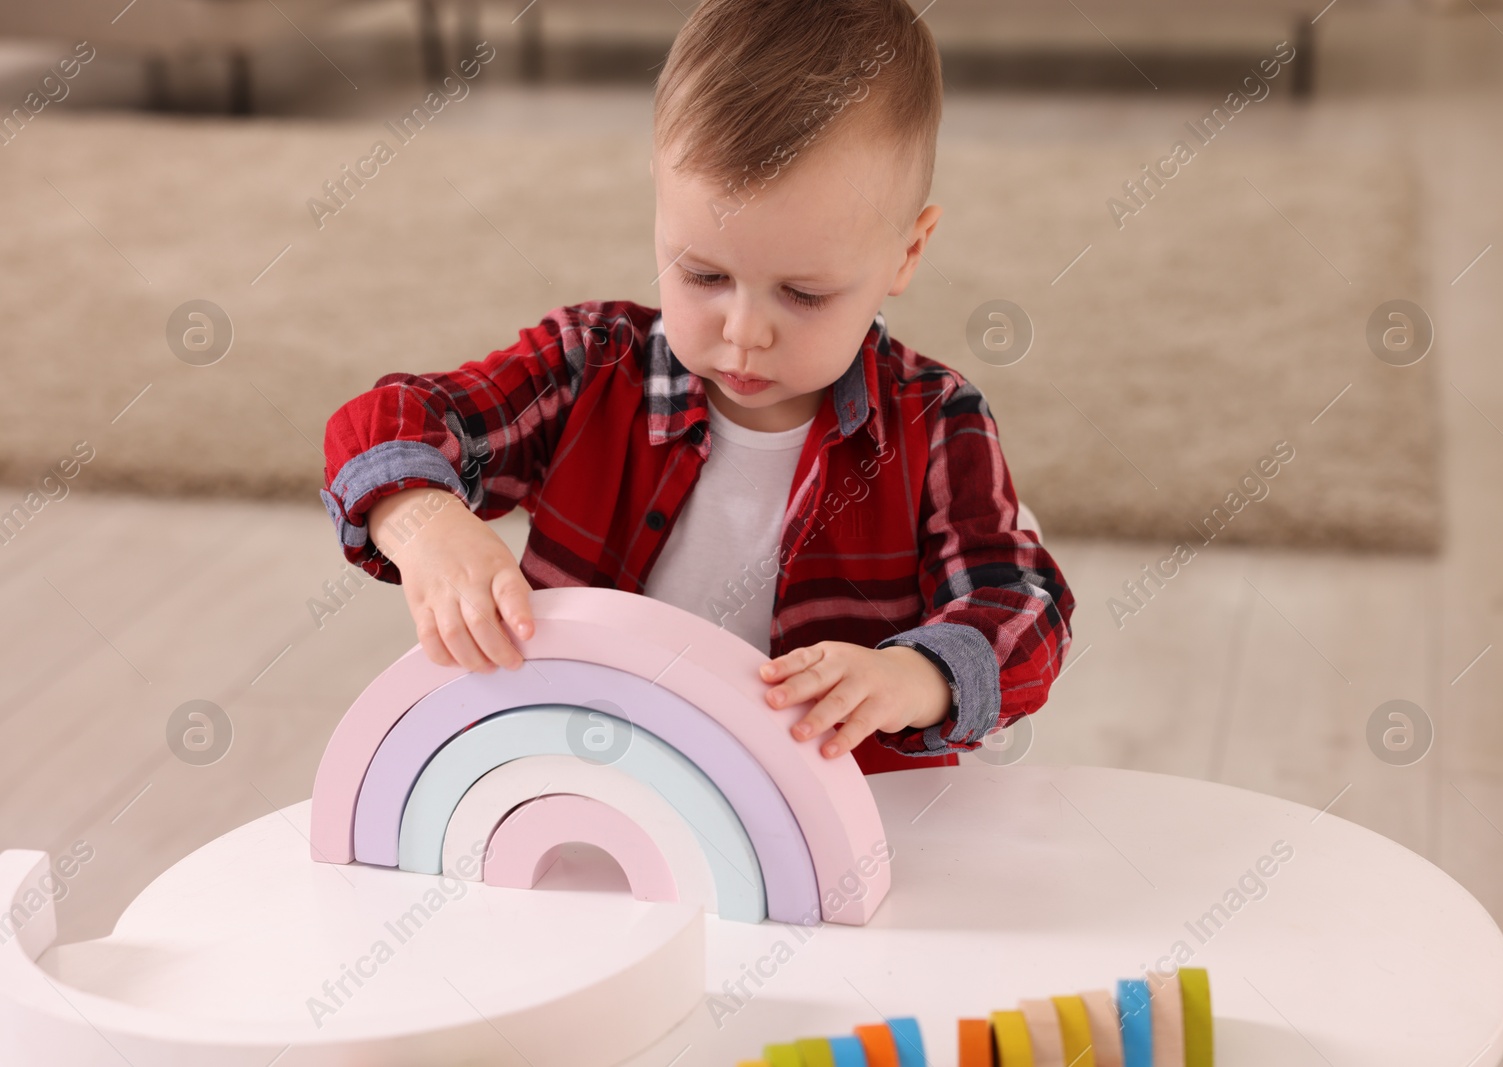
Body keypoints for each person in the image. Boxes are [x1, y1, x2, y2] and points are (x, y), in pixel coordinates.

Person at [319, 0, 1072, 775]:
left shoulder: (935, 420)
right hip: (588, 795)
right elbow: (389, 421)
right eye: (704, 274)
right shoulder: (591, 364)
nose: (744, 332)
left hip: (843, 839)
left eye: (804, 294)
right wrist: (422, 519)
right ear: (659, 200)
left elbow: (1026, 606)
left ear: (907, 252)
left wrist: (914, 679)